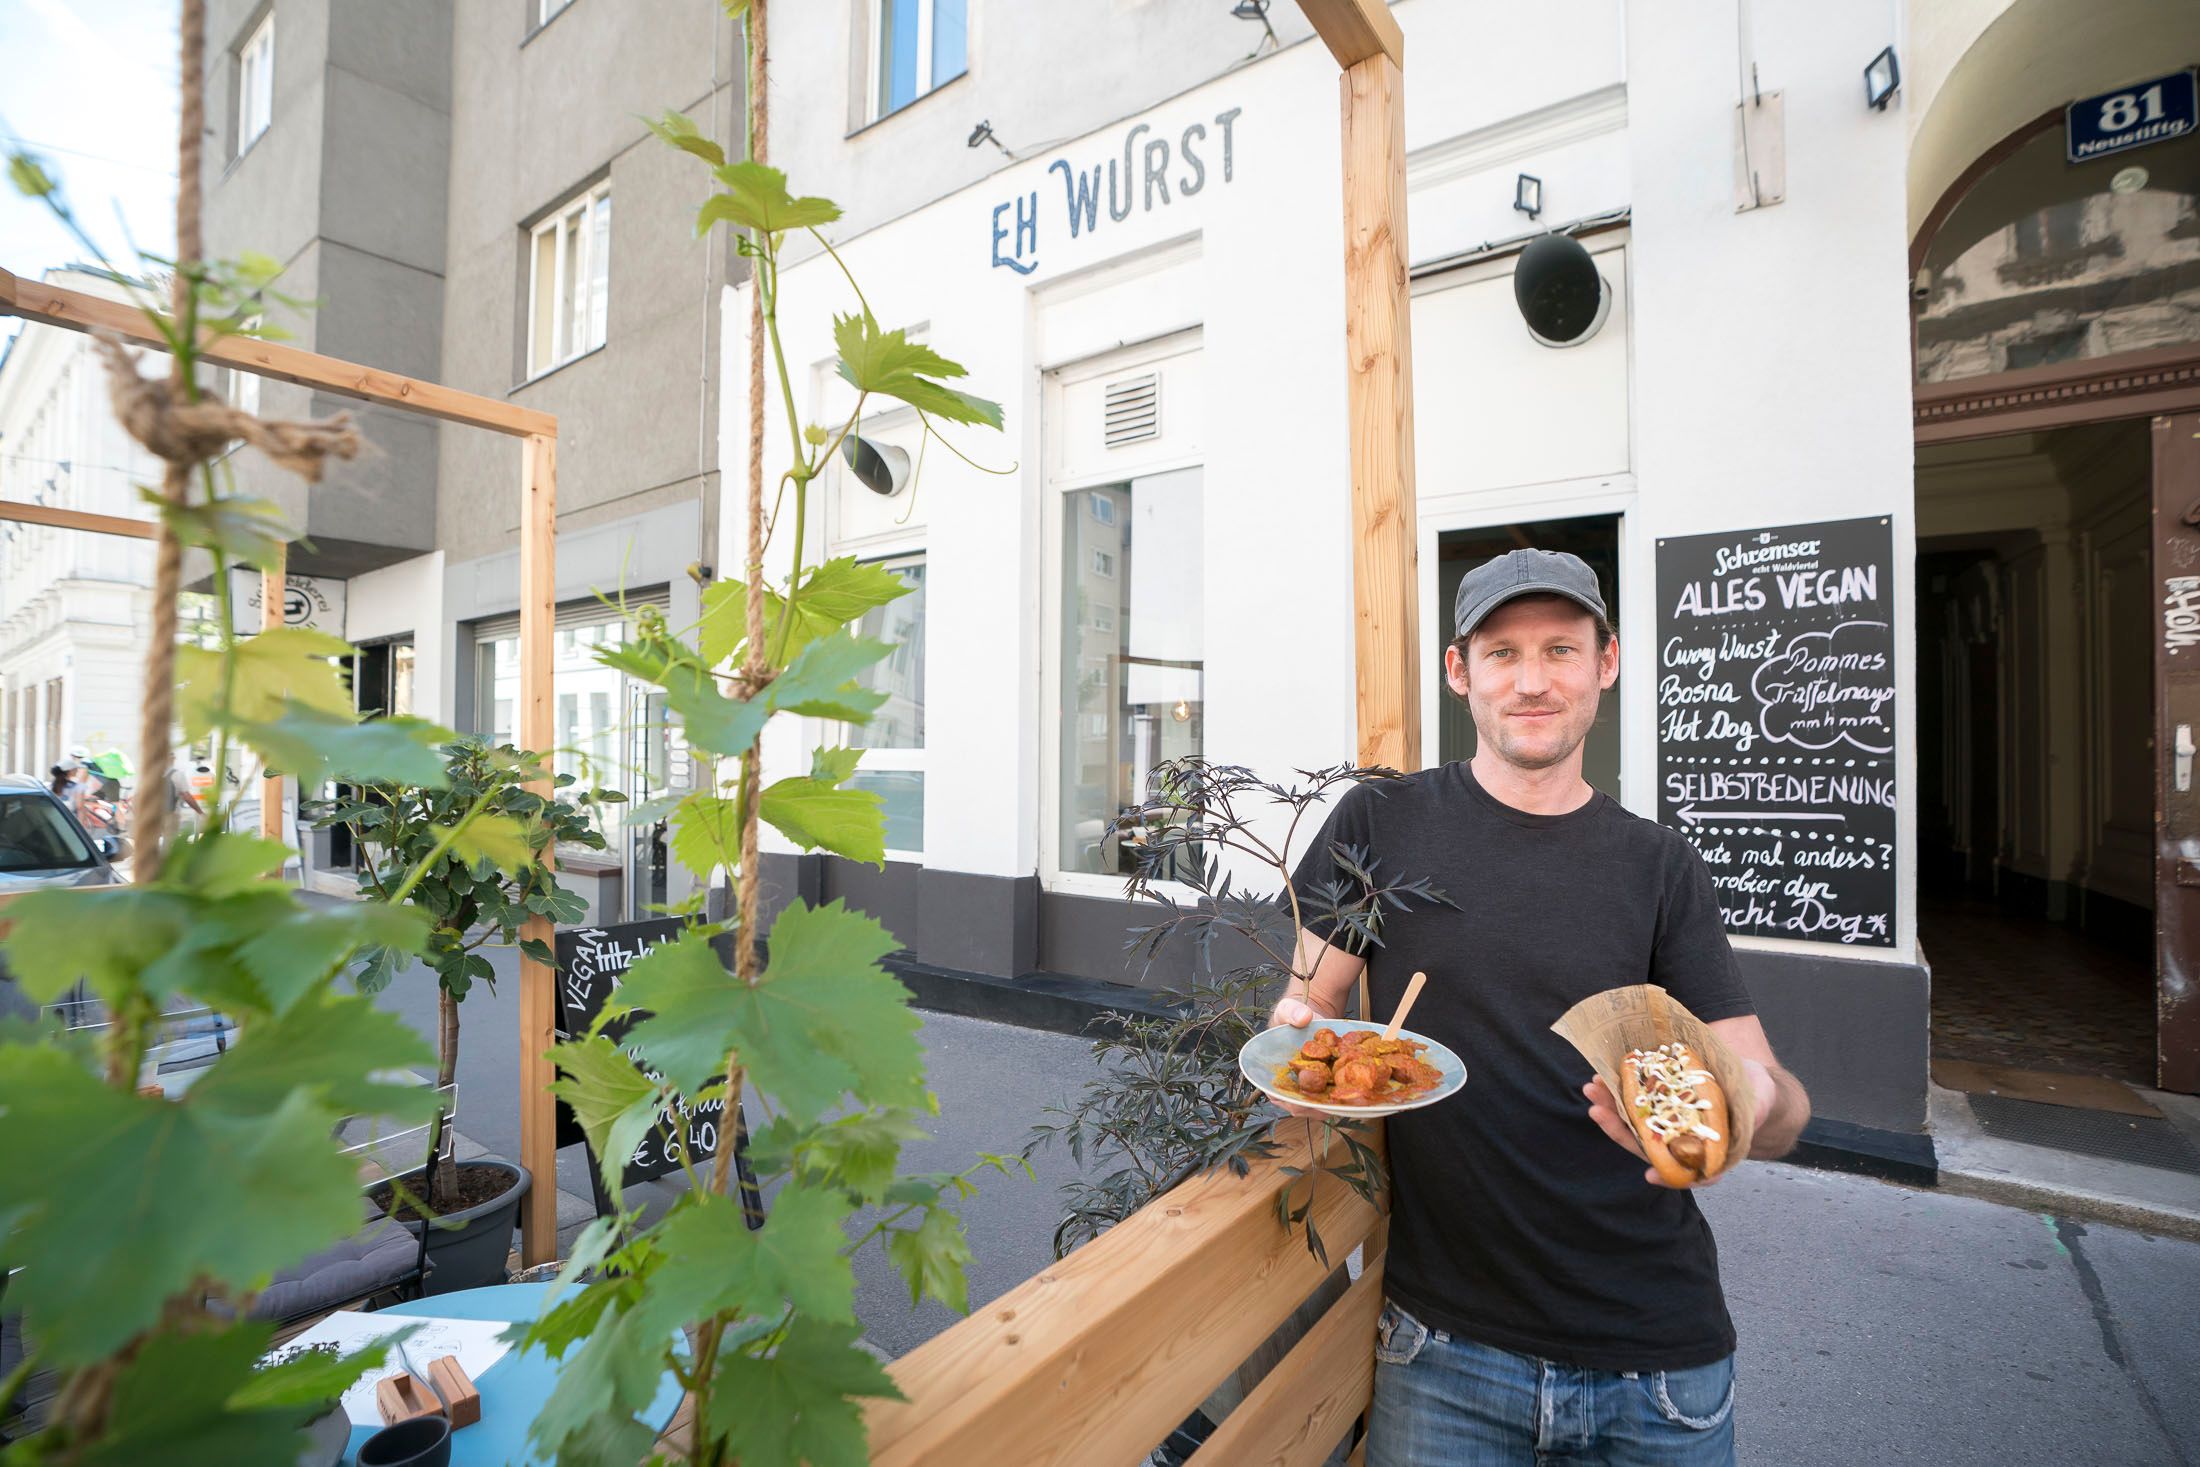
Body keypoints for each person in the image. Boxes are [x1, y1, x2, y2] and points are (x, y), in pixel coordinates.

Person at [1272, 548, 1811, 1467]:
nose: (1531, 681)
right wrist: (1299, 1046)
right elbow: (1308, 1007)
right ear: (1459, 672)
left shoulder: (1658, 865)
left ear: (1607, 663)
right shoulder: (1381, 822)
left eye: (1561, 650)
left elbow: (1779, 1102)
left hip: (1656, 1365)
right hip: (1443, 1348)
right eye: (1502, 653)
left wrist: (1747, 1107)